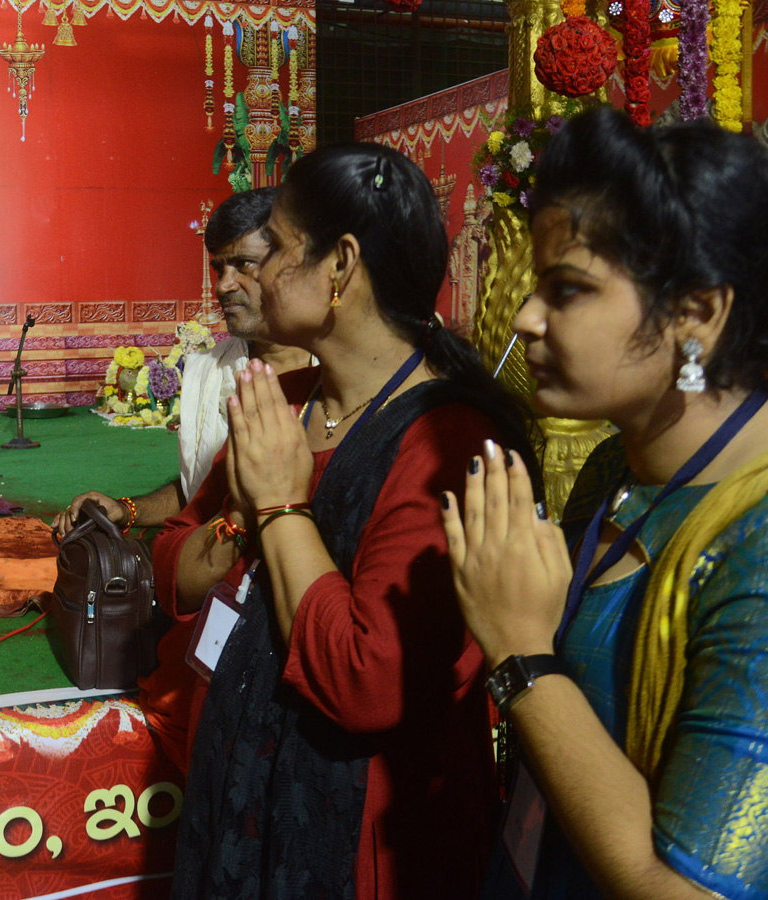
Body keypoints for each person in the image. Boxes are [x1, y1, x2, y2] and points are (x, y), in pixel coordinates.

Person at [158, 143, 537, 899]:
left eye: (279, 249)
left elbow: (369, 681)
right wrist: (238, 522)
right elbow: (177, 555)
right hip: (245, 780)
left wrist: (282, 507)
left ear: (340, 266)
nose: (258, 273)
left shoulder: (448, 440)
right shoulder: (286, 400)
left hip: (365, 832)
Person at [440, 107, 768, 899]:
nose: (527, 318)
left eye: (567, 289)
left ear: (696, 315)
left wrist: (520, 655)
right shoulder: (614, 465)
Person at [50, 187, 309, 537]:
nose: (223, 286)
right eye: (220, 269)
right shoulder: (207, 370)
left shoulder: (338, 368)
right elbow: (198, 492)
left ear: (293, 264)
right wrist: (127, 509)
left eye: (243, 265)